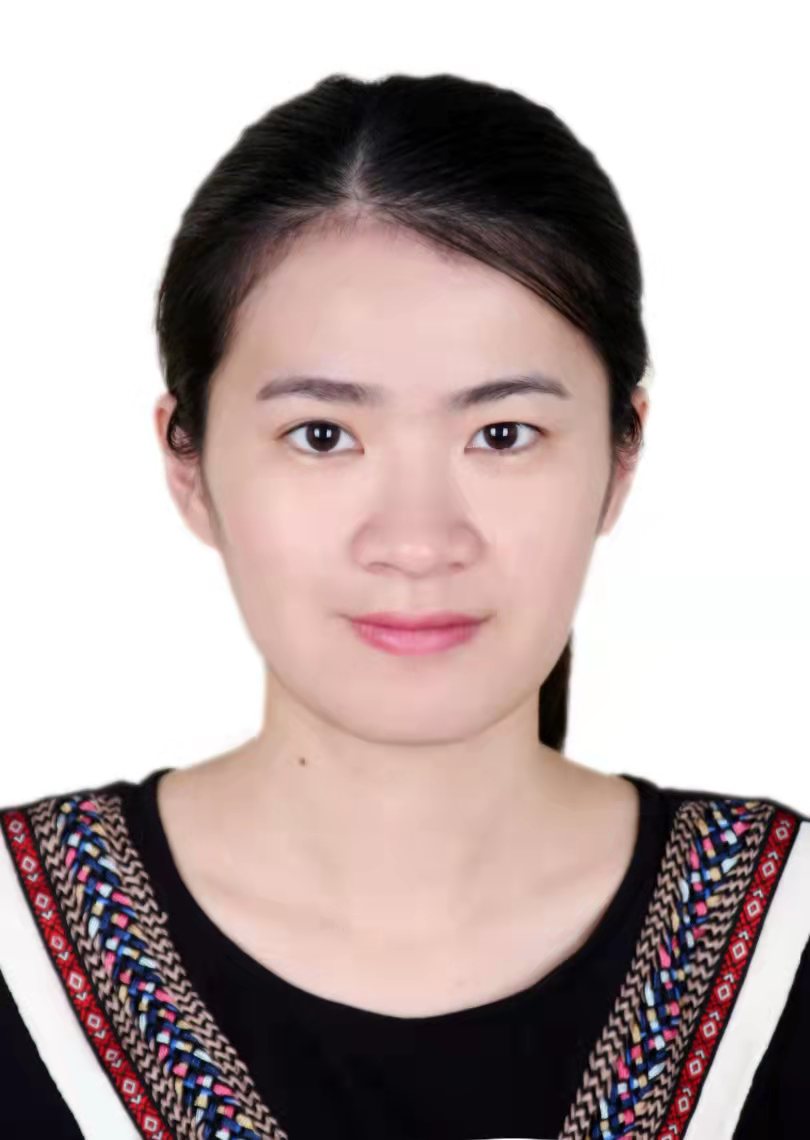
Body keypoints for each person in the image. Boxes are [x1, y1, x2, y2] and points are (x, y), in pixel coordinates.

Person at [1, 71, 808, 1140]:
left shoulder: (788, 932)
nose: (420, 540)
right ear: (187, 464)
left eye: (503, 435)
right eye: (323, 436)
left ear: (623, 457)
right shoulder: (18, 942)